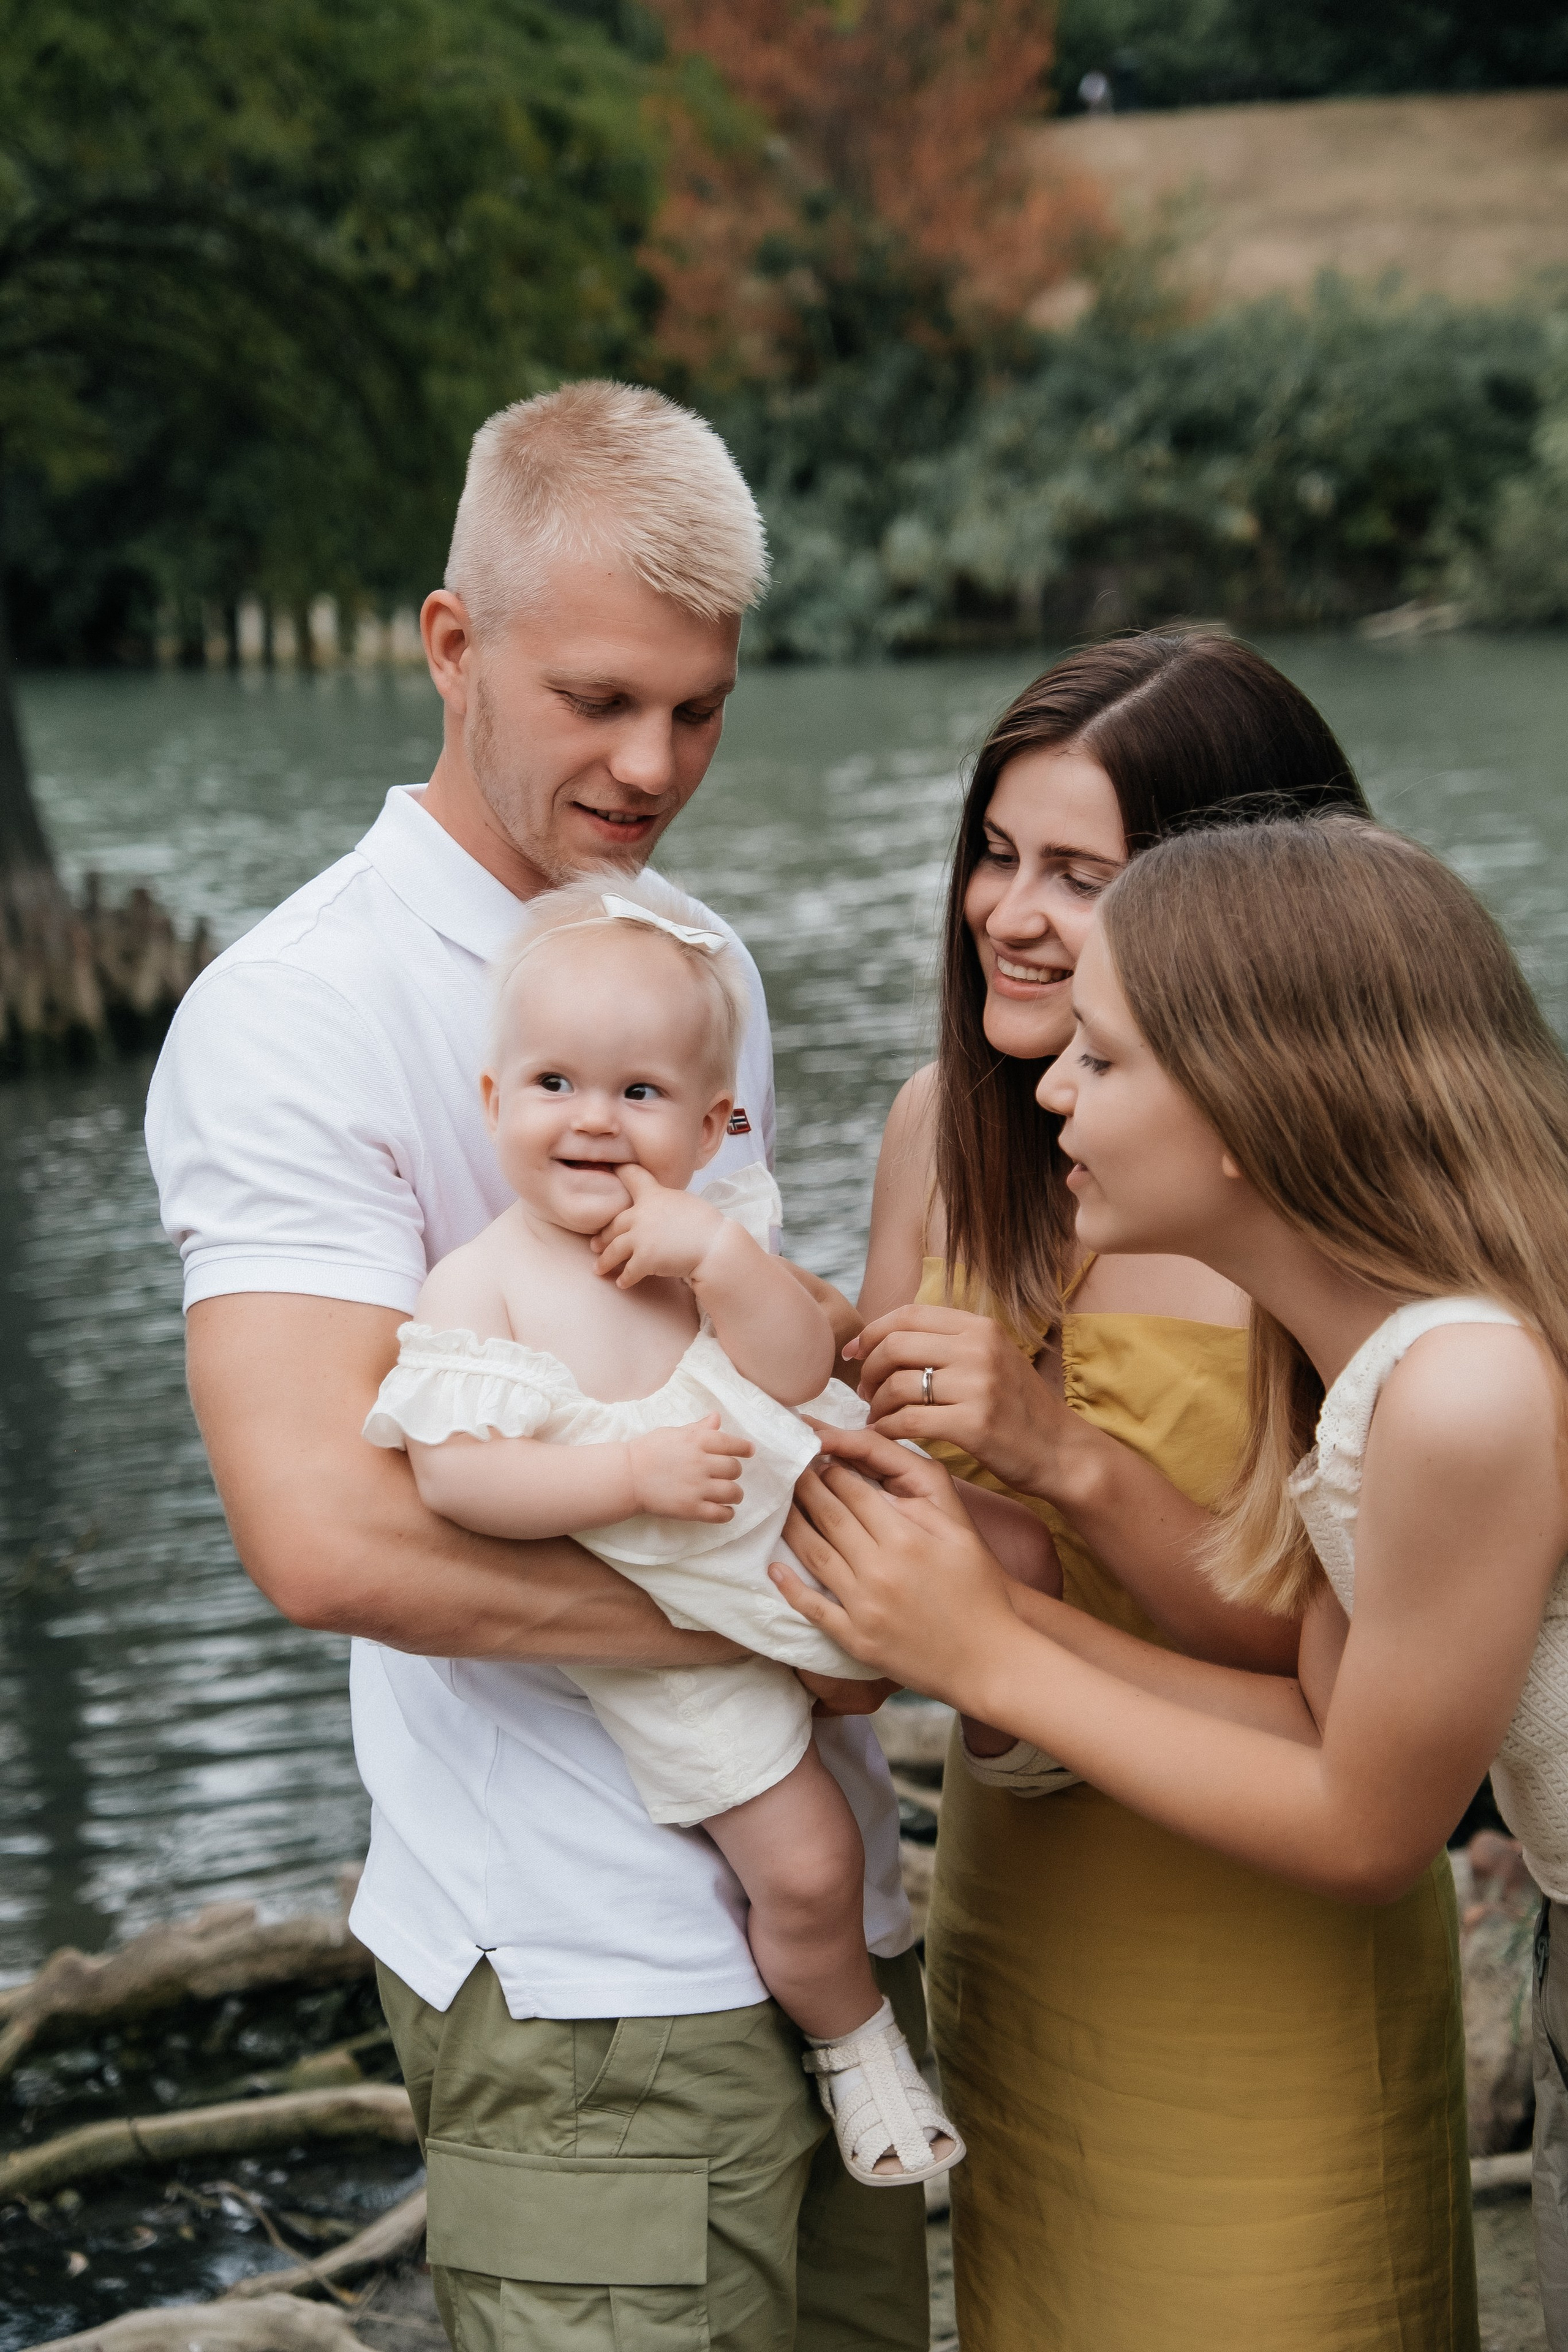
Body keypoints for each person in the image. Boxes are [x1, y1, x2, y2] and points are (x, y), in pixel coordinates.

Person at [145, 381, 933, 2352]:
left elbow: (742, 1354)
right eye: (596, 699)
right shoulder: (292, 1017)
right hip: (581, 1985)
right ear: (451, 643)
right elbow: (326, 1534)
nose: (652, 762)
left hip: (830, 1923)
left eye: (698, 706)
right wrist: (784, 1627)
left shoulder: (698, 961)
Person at [781, 813, 1568, 2342]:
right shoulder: (1361, 1352)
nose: (1051, 1088)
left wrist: (995, 1660)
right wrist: (981, 1608)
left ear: (1246, 1101)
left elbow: (1364, 1828)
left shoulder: (1464, 1388)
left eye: (1104, 1056)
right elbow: (1324, 1721)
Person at [363, 869, 1001, 2185]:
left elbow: (785, 1369)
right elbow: (460, 1483)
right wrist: (630, 1478)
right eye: (553, 1086)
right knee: (810, 1863)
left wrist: (717, 1260)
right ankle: (855, 2048)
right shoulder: (479, 1286)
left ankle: (1033, 1752)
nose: (592, 1123)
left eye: (639, 1094)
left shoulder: (717, 1238)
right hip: (675, 1638)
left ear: (715, 1124)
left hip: (812, 1551)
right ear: (493, 1103)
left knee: (1012, 1569)